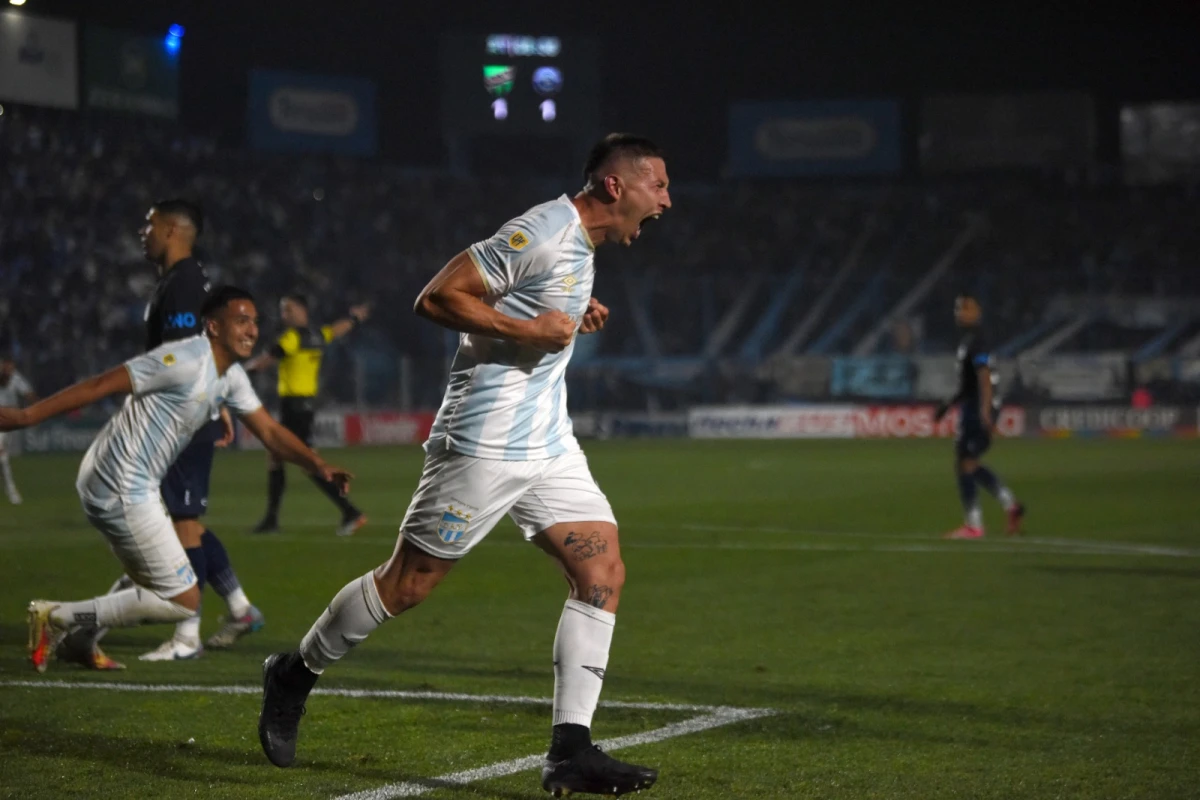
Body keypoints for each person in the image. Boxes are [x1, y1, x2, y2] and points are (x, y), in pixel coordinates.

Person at [257, 133, 670, 797]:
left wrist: (560, 314)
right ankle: (294, 675)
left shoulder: (580, 249)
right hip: (482, 443)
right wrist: (535, 330)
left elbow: (520, 304)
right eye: (660, 186)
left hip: (547, 444)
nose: (668, 200)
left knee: (602, 569)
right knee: (407, 586)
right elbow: (437, 297)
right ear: (616, 188)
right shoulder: (543, 229)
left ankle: (571, 750)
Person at [5, 287, 353, 673]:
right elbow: (100, 385)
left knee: (147, 581)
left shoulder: (232, 377)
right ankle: (56, 617)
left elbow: (270, 432)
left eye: (255, 321)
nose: (252, 330)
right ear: (213, 327)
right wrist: (26, 418)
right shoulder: (184, 359)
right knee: (183, 600)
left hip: (134, 485)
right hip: (119, 482)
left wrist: (318, 465)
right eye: (241, 320)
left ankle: (80, 642)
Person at [61, 200, 264, 668]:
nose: (142, 231)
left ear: (172, 230)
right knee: (182, 522)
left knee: (180, 525)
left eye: (149, 224)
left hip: (179, 423)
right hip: (181, 419)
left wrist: (215, 402)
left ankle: (187, 633)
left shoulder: (185, 285)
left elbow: (188, 359)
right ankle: (237, 608)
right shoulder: (180, 282)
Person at [246, 295, 370, 536]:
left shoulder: (291, 338)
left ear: (302, 310)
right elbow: (336, 330)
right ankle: (271, 520)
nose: (284, 315)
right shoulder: (316, 335)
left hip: (293, 406)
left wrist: (237, 371)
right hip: (305, 406)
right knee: (277, 457)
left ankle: (350, 512)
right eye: (283, 310)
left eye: (288, 309)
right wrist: (354, 319)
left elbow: (265, 361)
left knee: (308, 462)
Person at [935, 294, 1025, 538]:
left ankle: (974, 525)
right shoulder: (970, 342)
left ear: (978, 313)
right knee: (968, 463)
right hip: (972, 407)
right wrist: (947, 405)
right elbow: (967, 385)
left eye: (965, 309)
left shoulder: (977, 343)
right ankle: (1010, 506)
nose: (960, 313)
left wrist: (985, 411)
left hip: (977, 410)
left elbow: (984, 377)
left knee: (965, 463)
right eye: (958, 309)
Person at [0, 357, 36, 504]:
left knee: (1, 454)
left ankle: (10, 488)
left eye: (11, 369)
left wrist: (36, 412)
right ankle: (10, 488)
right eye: (6, 368)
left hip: (8, 420)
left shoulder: (16, 379)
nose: (9, 371)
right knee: (2, 455)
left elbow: (29, 395)